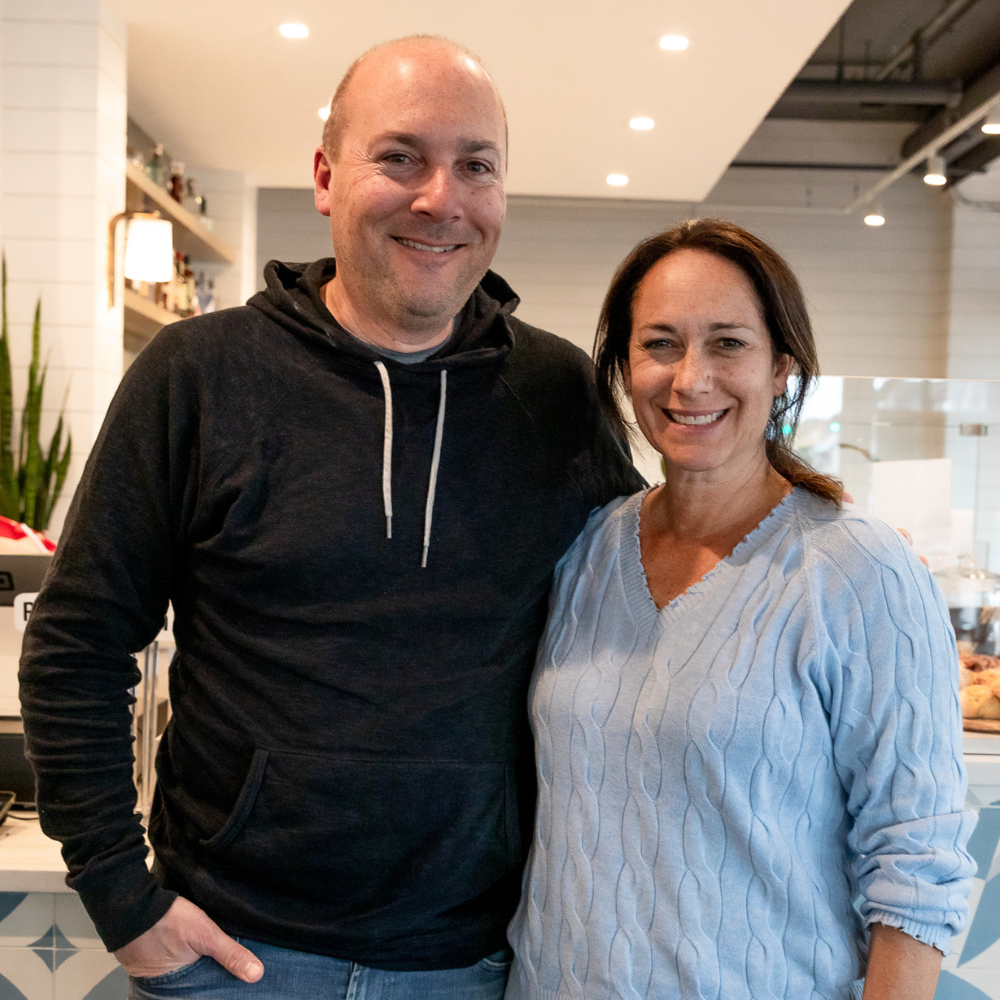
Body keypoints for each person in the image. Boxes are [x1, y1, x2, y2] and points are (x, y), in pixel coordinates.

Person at [18, 36, 641, 1000]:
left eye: (476, 165)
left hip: (468, 964)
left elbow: (642, 618)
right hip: (233, 957)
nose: (441, 197)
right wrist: (118, 892)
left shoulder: (557, 393)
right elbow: (76, 644)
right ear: (324, 176)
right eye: (400, 157)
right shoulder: (197, 376)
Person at [505, 219, 976, 1000]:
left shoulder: (858, 569)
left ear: (782, 367)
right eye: (660, 343)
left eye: (728, 343)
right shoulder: (585, 549)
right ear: (625, 366)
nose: (691, 379)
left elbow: (916, 861)